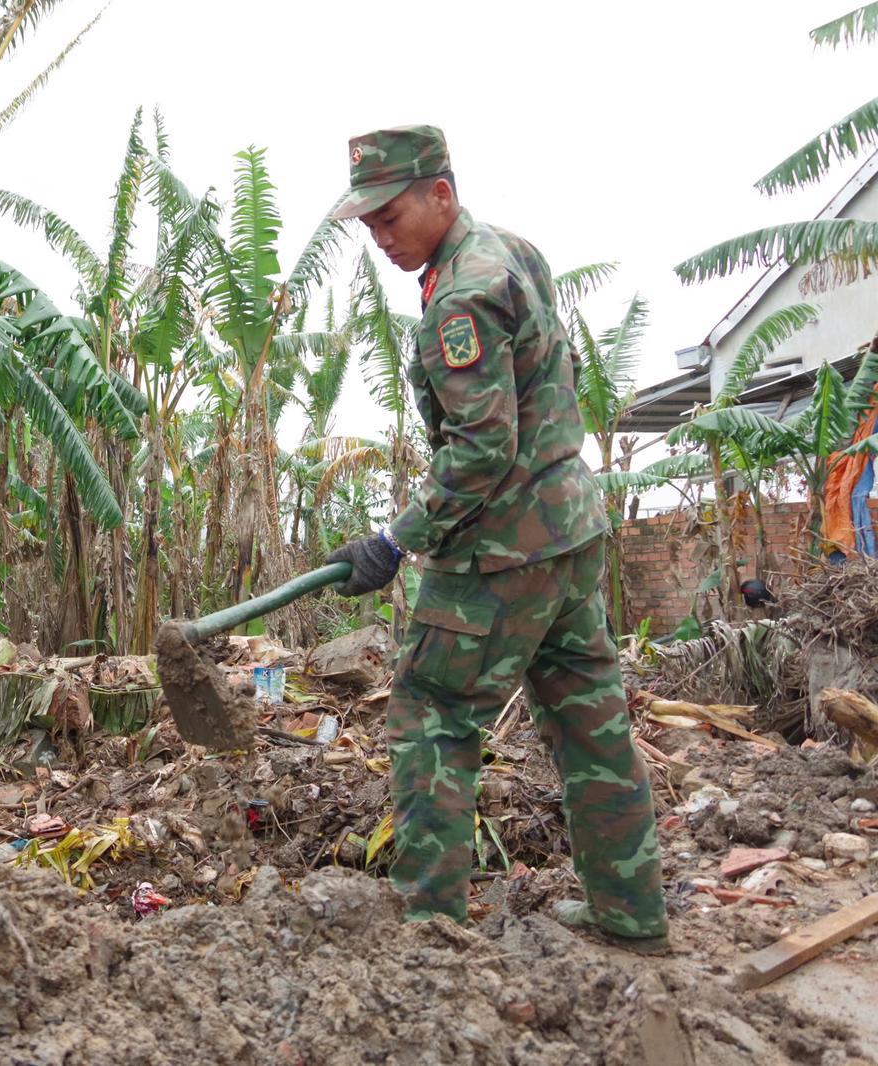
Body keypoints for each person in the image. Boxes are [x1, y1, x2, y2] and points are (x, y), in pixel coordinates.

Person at [325, 126, 668, 951]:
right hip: (569, 533)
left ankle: (433, 932)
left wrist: (395, 540)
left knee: (433, 717)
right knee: (591, 722)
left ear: (441, 193)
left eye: (390, 215)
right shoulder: (509, 251)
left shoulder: (460, 297)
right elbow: (552, 382)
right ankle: (632, 914)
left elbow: (481, 449)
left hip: (502, 551)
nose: (379, 236)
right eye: (367, 223)